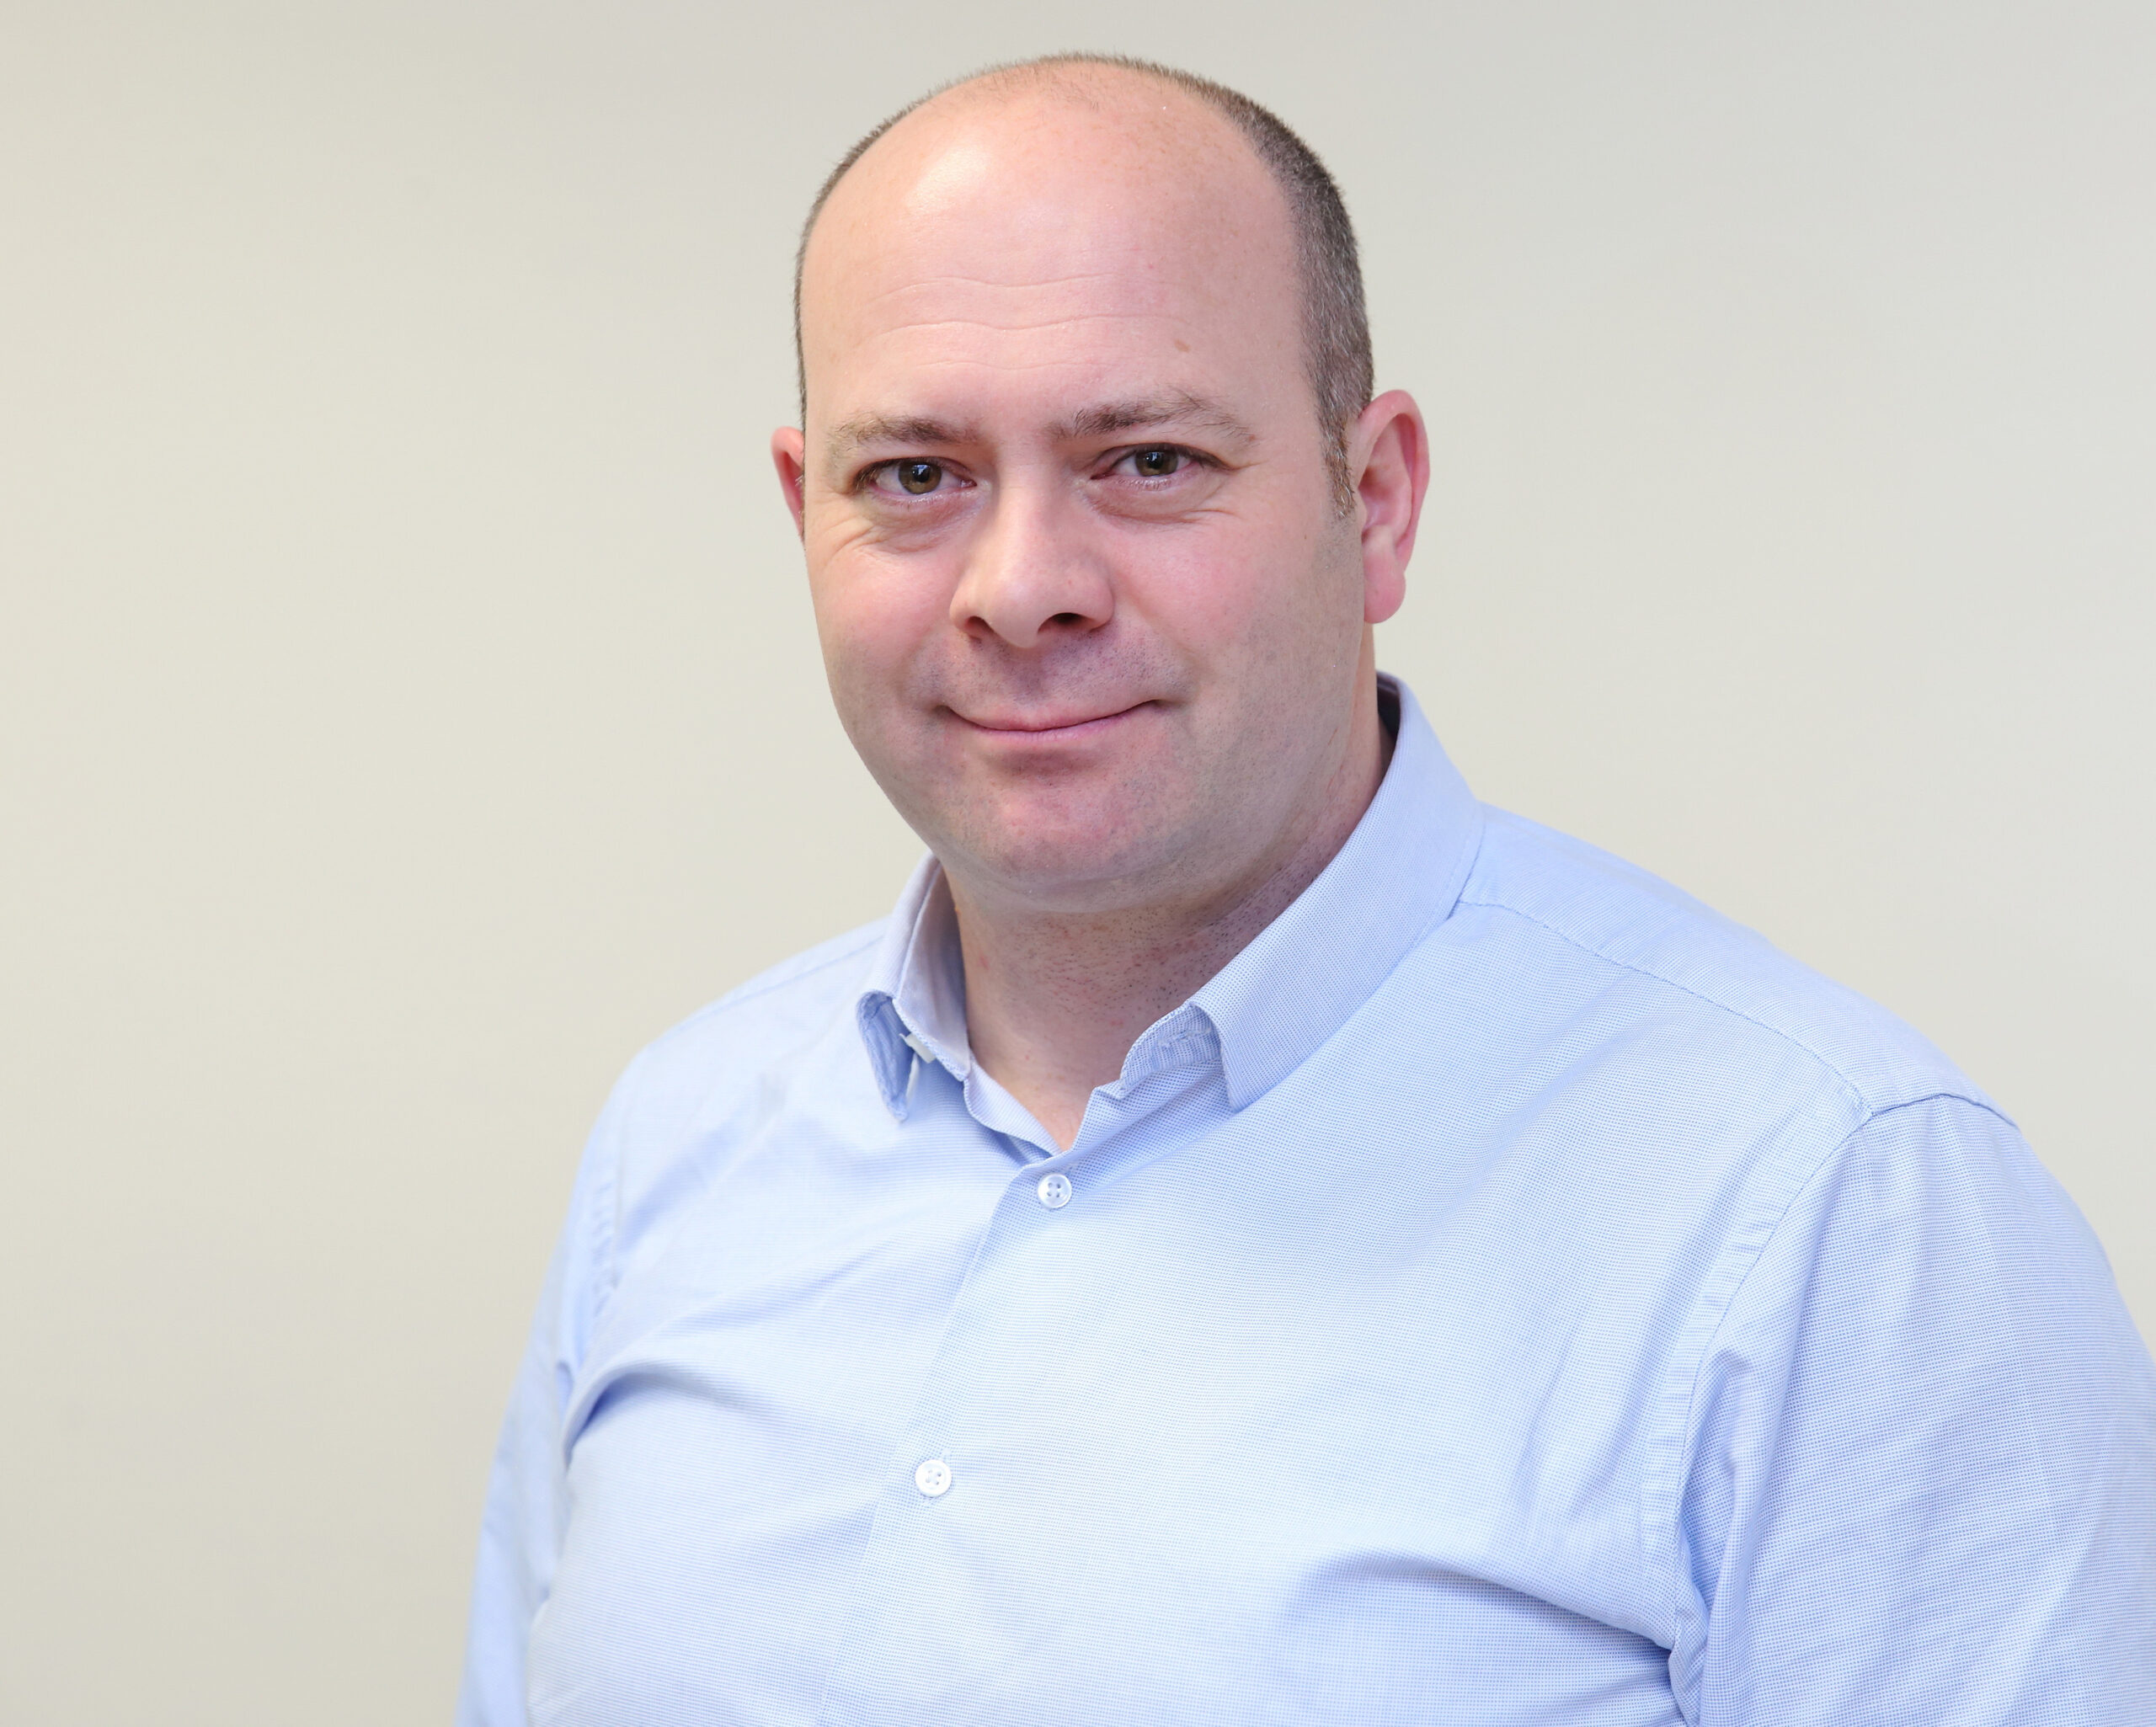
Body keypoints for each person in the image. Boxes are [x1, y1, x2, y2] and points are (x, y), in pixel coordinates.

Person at [457, 54, 2154, 1725]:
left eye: (1147, 460)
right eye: (915, 476)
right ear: (803, 511)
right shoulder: (678, 1143)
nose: (1022, 588)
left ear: (1377, 499)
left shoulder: (1836, 1210)